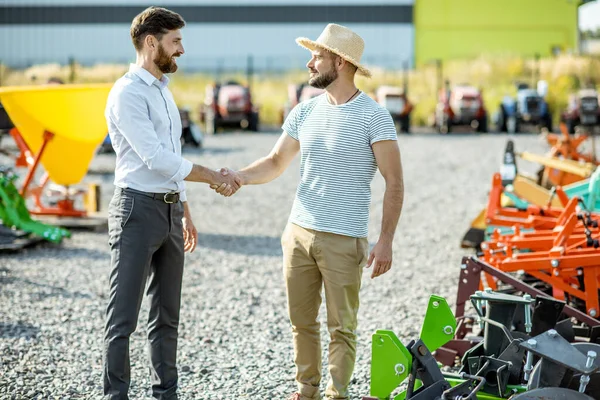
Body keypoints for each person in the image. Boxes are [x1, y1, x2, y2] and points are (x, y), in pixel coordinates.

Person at [212, 23, 404, 400]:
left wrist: (386, 241)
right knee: (301, 322)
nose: (309, 63)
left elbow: (394, 182)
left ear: (339, 61)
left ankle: (337, 394)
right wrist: (238, 177)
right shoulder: (305, 111)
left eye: (316, 56)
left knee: (341, 326)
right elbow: (274, 161)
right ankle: (306, 390)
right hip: (297, 233)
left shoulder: (375, 117)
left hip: (344, 239)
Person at [102, 6, 239, 400]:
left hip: (169, 211)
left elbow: (172, 154)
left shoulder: (163, 90)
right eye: (175, 40)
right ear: (151, 42)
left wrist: (184, 211)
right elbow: (156, 160)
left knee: (167, 317)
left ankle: (166, 395)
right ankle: (116, 395)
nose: (181, 49)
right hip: (135, 211)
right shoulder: (127, 93)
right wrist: (213, 175)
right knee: (123, 317)